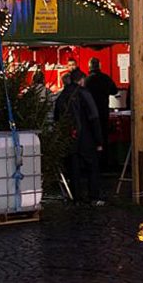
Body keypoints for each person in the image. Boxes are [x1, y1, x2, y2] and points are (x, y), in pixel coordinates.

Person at [53, 69, 104, 205]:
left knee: (73, 168)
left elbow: (56, 118)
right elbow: (94, 117)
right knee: (92, 167)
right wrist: (99, 140)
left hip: (69, 138)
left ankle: (77, 199)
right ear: (81, 80)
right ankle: (94, 197)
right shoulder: (84, 93)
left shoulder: (62, 95)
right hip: (86, 136)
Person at [85, 57, 118, 163]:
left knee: (91, 136)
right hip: (103, 111)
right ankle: (105, 160)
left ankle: (93, 161)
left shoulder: (87, 80)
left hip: (90, 113)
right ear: (99, 66)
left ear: (89, 67)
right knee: (104, 135)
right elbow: (114, 91)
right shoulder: (106, 78)